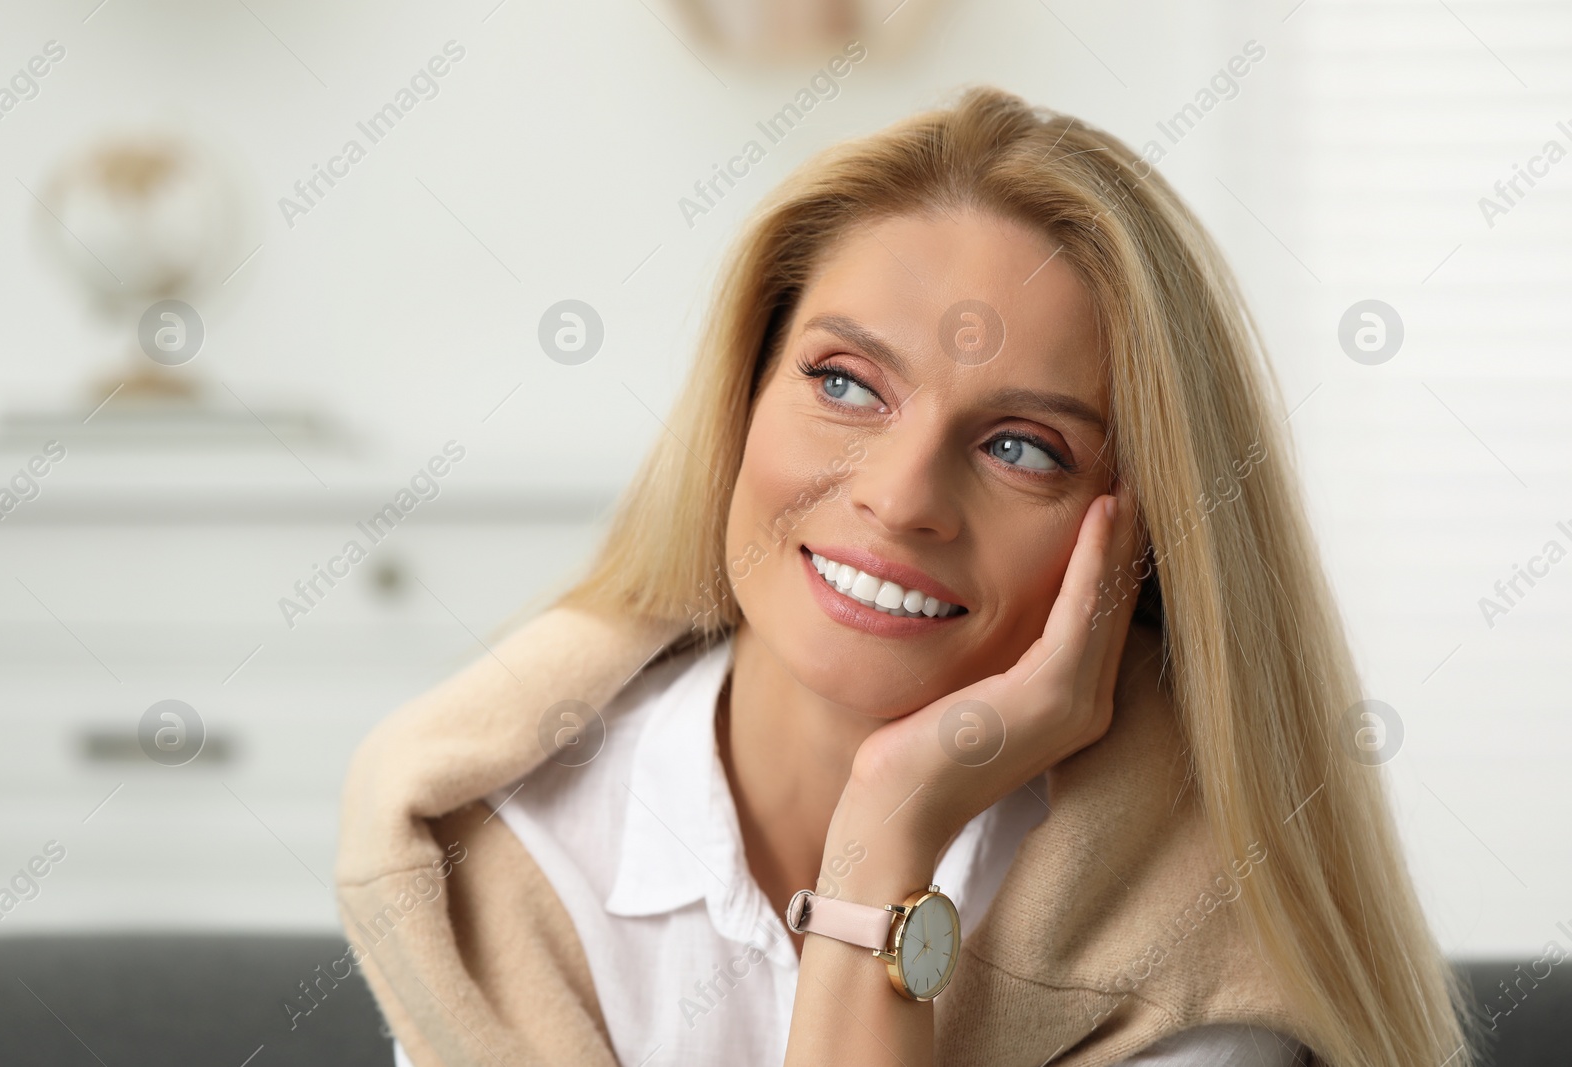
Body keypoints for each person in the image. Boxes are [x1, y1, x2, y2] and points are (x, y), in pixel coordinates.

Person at [337, 86, 1475, 1067]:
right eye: (843, 383)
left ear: (1141, 547)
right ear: (741, 398)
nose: (901, 493)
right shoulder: (494, 859)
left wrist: (887, 830)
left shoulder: (1204, 922)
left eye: (1023, 445)